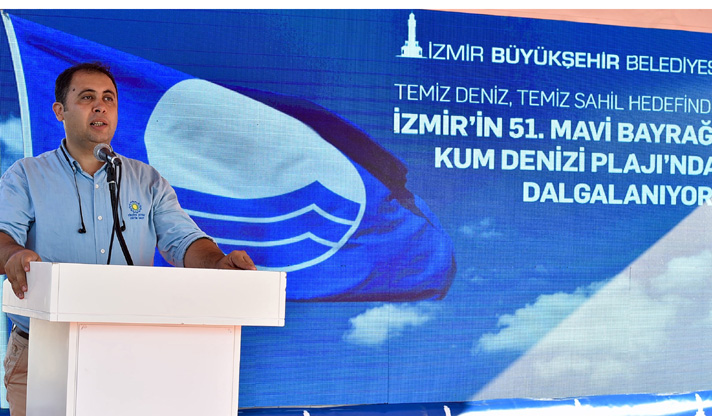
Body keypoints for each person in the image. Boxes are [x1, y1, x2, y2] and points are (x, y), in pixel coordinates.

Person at [0, 62, 257, 415]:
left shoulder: (146, 180)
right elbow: (3, 239)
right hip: (44, 350)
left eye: (109, 98)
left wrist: (218, 263)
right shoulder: (27, 175)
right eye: (87, 97)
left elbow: (183, 241)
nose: (100, 106)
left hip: (128, 352)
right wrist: (14, 255)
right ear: (60, 111)